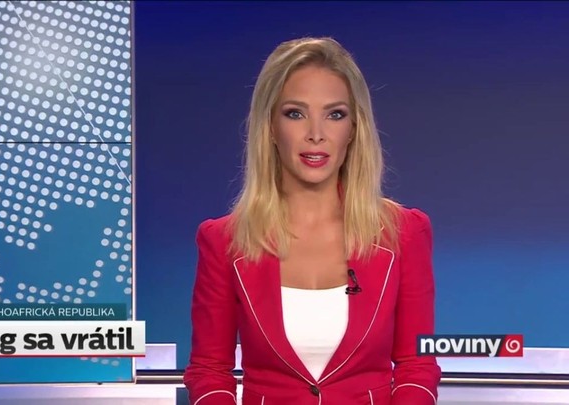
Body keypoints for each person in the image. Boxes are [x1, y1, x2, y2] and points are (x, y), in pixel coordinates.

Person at [183, 37, 441, 405]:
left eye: (335, 114)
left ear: (354, 129)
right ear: (270, 127)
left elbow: (416, 365)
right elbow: (209, 370)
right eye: (295, 113)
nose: (316, 134)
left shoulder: (404, 233)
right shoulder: (224, 240)